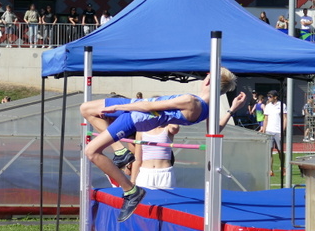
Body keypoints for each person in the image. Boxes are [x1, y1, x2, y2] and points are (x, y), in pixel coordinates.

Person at [80, 68, 244, 222]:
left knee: (91, 151)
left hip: (135, 116)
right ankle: (120, 151)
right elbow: (214, 131)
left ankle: (131, 191)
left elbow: (148, 106)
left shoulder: (191, 101)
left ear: (208, 81)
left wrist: (117, 107)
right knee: (86, 109)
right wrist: (232, 110)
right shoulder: (207, 109)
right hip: (135, 106)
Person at [260, 90, 287, 177]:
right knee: (269, 151)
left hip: (278, 131)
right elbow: (266, 119)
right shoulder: (268, 106)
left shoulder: (282, 105)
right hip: (269, 131)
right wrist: (264, 130)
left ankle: (283, 167)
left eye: (270, 96)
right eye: (268, 96)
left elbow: (285, 118)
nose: (268, 98)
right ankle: (270, 170)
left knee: (280, 151)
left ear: (275, 97)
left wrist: (282, 130)